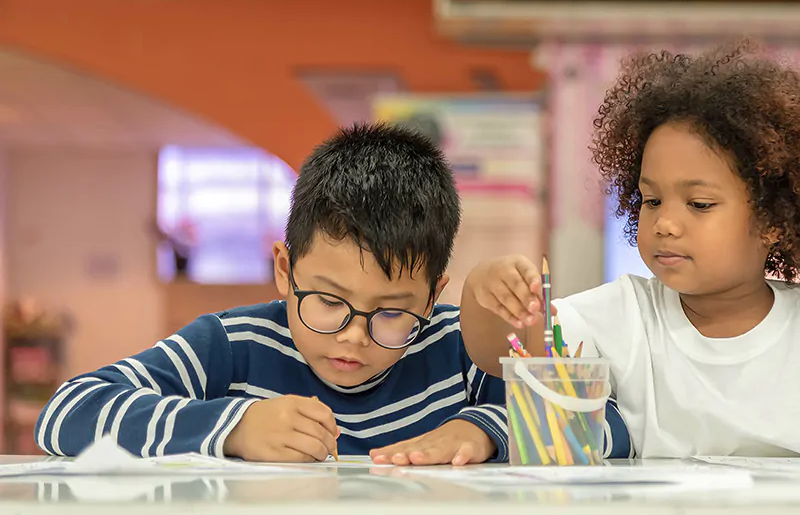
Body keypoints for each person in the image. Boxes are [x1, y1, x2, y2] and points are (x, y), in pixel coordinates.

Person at [461, 42, 800, 468]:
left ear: (773, 219)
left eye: (698, 204)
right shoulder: (624, 314)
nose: (665, 222)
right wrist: (488, 291)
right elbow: (502, 353)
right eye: (651, 200)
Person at [38, 123, 519, 465]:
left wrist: (483, 430)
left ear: (432, 298)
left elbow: (580, 419)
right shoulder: (233, 344)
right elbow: (66, 413)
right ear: (285, 271)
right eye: (329, 302)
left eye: (392, 311)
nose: (353, 337)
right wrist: (235, 428)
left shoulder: (460, 344)